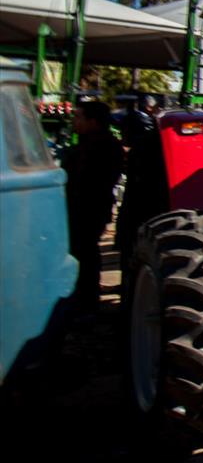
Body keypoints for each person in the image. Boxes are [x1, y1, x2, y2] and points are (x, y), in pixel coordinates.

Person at [63, 101, 124, 312]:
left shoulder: (101, 146)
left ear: (93, 121)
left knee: (85, 253)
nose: (74, 122)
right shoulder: (88, 144)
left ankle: (85, 300)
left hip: (88, 208)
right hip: (83, 206)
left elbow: (90, 180)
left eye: (79, 117)